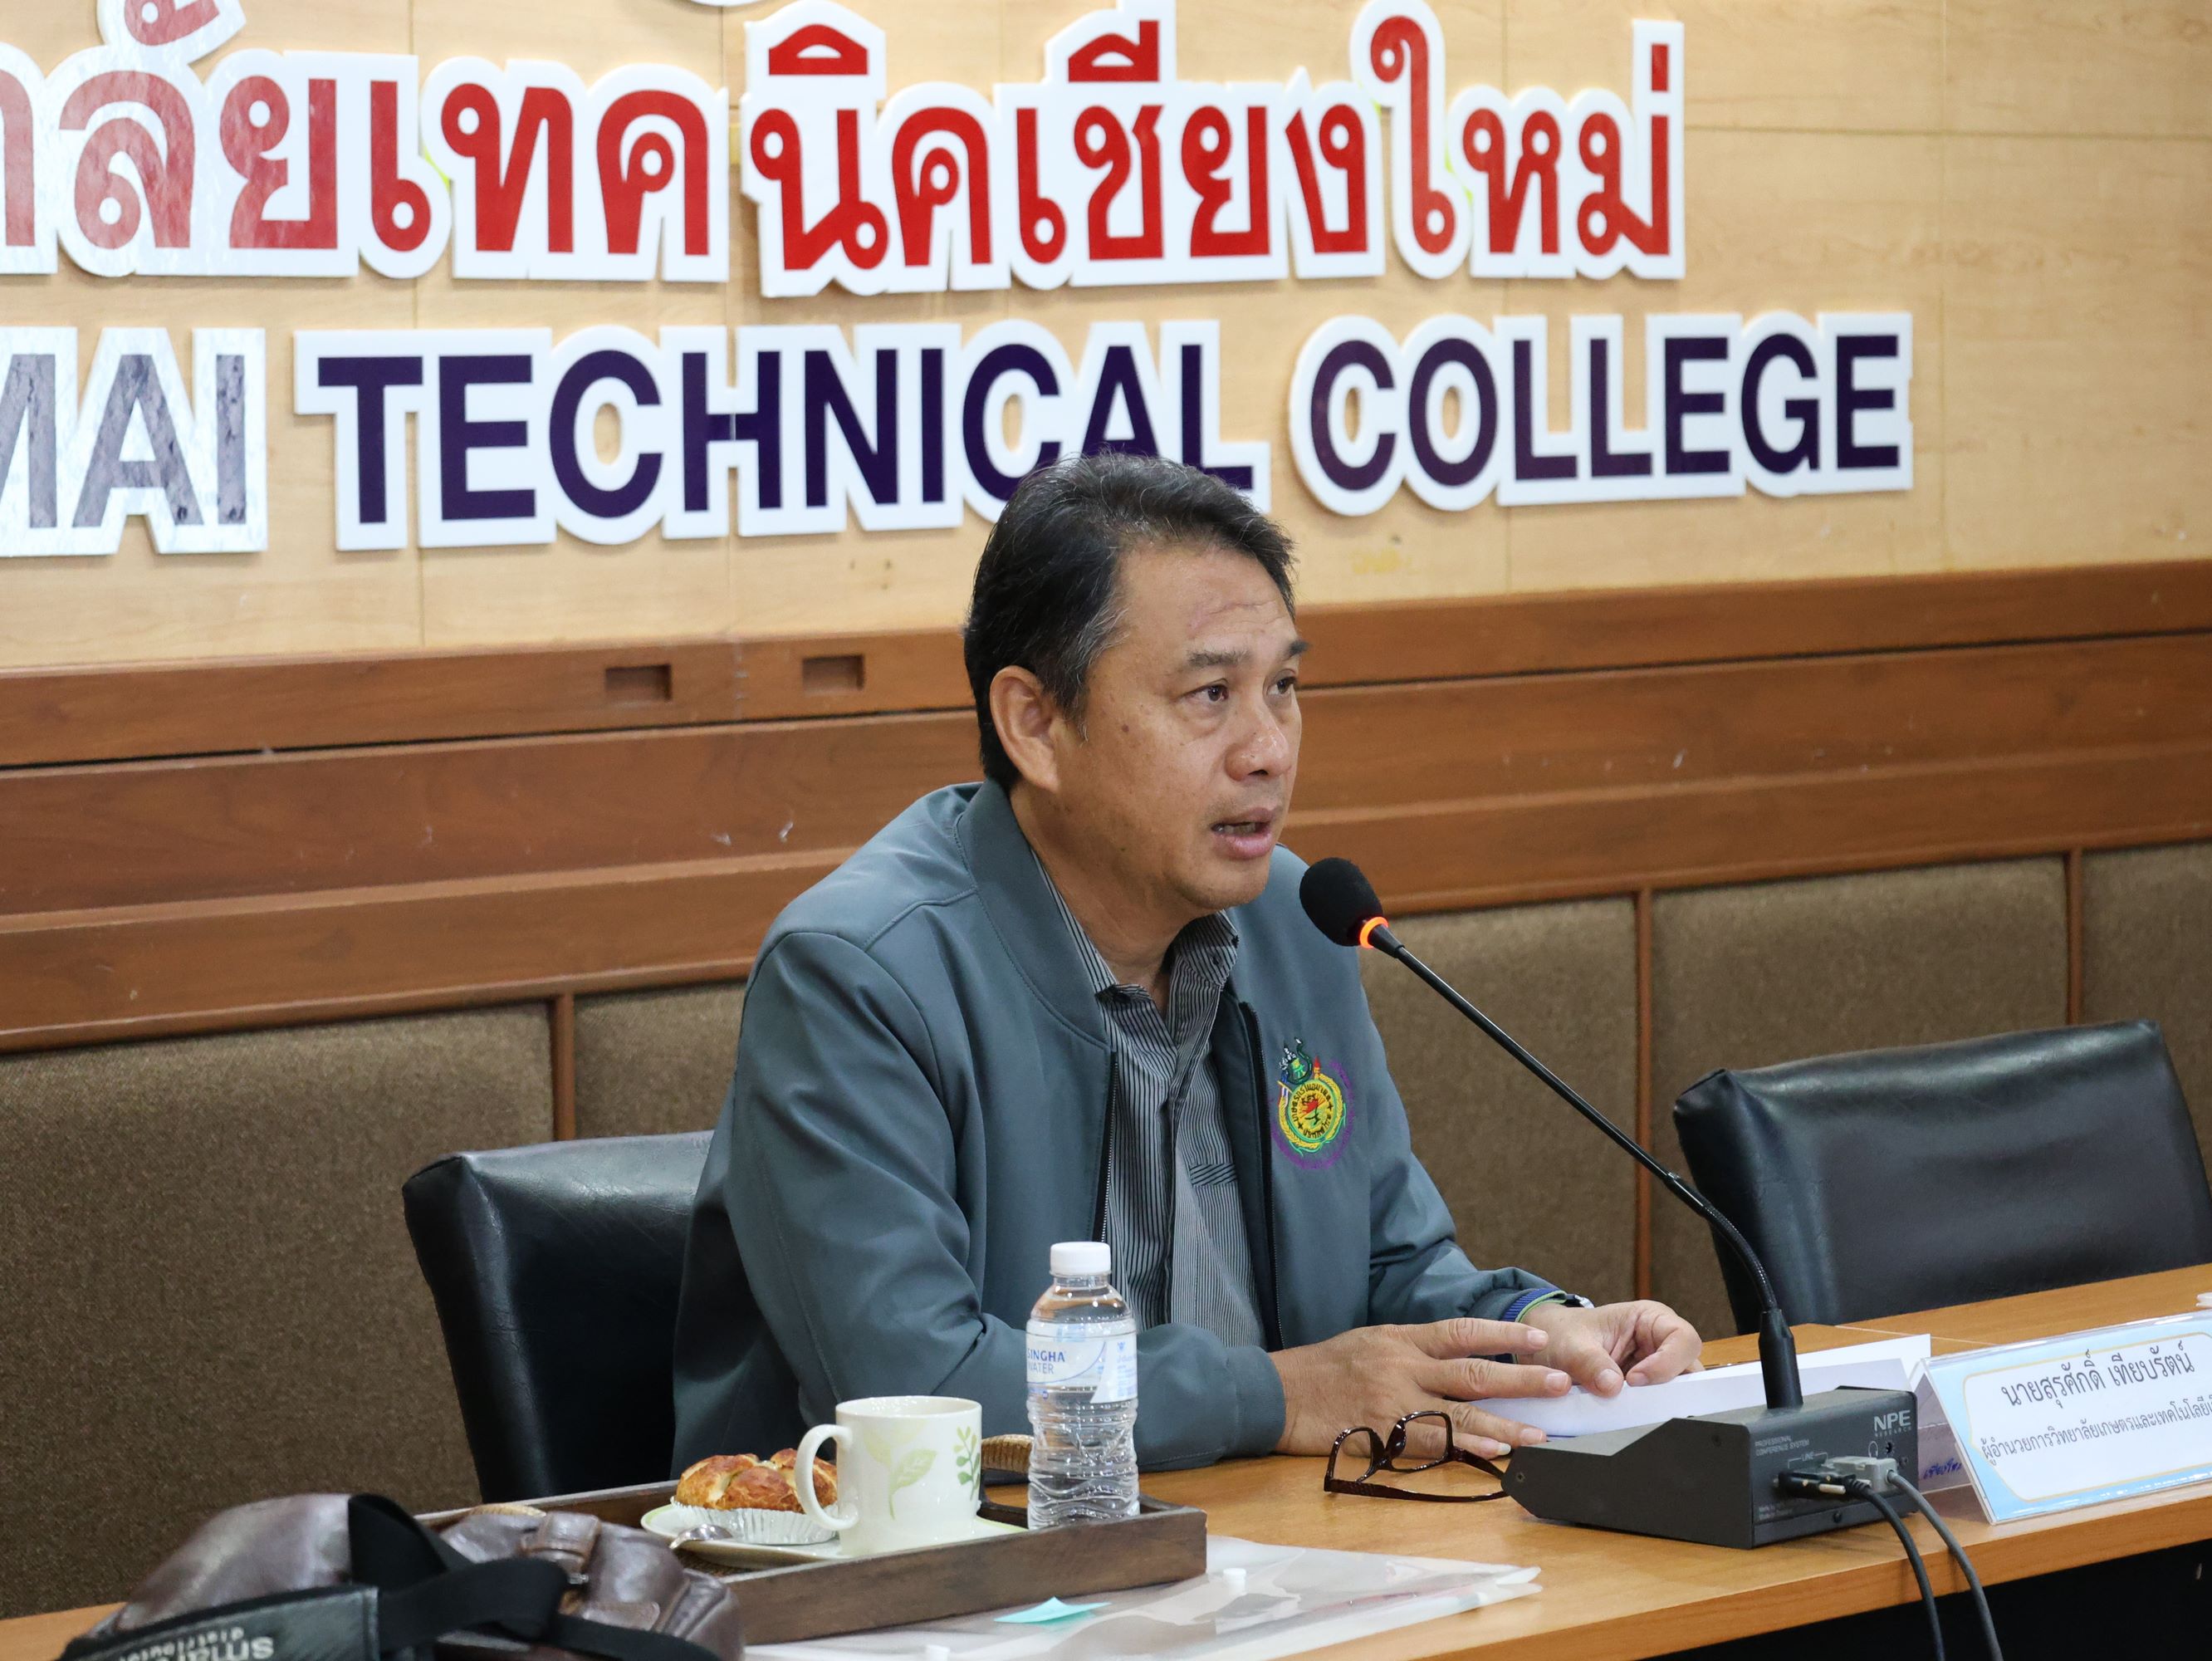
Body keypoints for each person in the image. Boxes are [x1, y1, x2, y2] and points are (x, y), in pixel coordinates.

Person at [671, 453, 1700, 1471]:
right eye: (1210, 693)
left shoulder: (1297, 922)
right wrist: (1278, 1395)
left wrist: (1543, 1332)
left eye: (1283, 686)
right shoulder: (858, 976)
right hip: (948, 1561)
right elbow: (913, 1387)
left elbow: (1390, 1265)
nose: (1269, 748)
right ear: (1036, 723)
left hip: (1277, 1539)